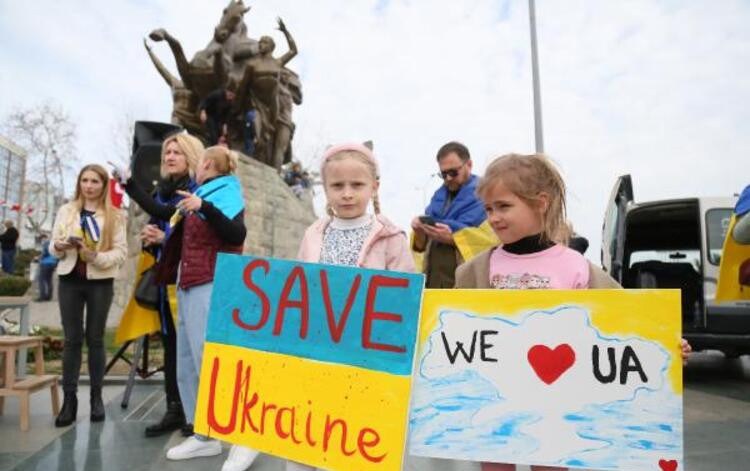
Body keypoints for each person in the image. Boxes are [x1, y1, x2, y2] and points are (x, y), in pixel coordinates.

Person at [454, 153, 691, 471]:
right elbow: (452, 333)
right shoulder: (477, 269)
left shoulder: (575, 267)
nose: (494, 217)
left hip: (559, 402)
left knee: (552, 462)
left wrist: (666, 345)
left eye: (504, 206)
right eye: (489, 209)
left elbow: (631, 320)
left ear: (541, 203)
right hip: (496, 402)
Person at [292, 142, 415, 471]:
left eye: (357, 185)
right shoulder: (313, 234)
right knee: (311, 434)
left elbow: (404, 298)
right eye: (337, 185)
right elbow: (298, 288)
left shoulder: (391, 238)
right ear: (325, 189)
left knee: (354, 441)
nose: (347, 193)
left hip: (367, 358)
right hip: (318, 352)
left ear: (374, 186)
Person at [160, 146, 259, 471]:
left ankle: (243, 437)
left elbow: (236, 234)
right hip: (188, 282)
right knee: (187, 362)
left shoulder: (226, 193)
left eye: (199, 163)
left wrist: (205, 207)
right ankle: (204, 435)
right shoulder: (196, 195)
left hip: (212, 282)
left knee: (215, 361)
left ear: (206, 165)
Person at [114, 131, 203, 438]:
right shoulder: (163, 191)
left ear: (191, 155)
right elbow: (157, 221)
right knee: (171, 346)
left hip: (192, 281)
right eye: (167, 152)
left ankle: (199, 414)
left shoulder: (197, 190)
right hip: (166, 278)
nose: (169, 157)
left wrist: (131, 187)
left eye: (176, 152)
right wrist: (152, 239)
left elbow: (184, 228)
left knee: (193, 348)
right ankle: (174, 409)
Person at [49, 164, 127, 427]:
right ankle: (69, 400)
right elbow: (52, 246)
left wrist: (96, 256)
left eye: (95, 181)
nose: (89, 185)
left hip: (100, 282)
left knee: (95, 339)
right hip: (69, 280)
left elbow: (121, 252)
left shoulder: (115, 216)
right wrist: (59, 246)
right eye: (85, 180)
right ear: (79, 183)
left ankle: (96, 397)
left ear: (104, 185)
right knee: (71, 339)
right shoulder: (67, 210)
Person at [411, 141, 486, 288]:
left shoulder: (486, 194)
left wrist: (453, 238)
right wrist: (419, 230)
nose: (448, 178)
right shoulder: (437, 197)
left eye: (453, 172)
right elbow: (420, 247)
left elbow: (491, 239)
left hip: (465, 284)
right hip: (433, 280)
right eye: (443, 174)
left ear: (469, 165)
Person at [37, 232, 58, 301]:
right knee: (49, 280)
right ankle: (49, 296)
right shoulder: (53, 242)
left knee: (41, 279)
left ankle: (42, 296)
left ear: (43, 238)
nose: (40, 241)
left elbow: (45, 252)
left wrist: (39, 257)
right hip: (53, 263)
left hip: (46, 263)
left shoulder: (46, 242)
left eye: (40, 239)